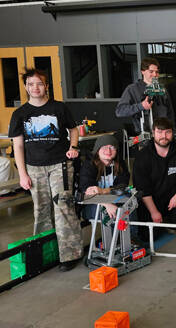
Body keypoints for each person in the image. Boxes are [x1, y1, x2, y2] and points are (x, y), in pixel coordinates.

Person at [10, 68, 83, 271]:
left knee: (63, 207)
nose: (36, 88)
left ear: (46, 86)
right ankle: (46, 252)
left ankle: (70, 254)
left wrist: (73, 147)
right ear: (26, 87)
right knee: (41, 210)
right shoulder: (19, 114)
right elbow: (18, 146)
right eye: (31, 84)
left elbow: (74, 130)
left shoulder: (59, 108)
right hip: (34, 168)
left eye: (40, 84)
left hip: (60, 165)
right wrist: (22, 174)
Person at [133, 118, 176, 238]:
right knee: (147, 237)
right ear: (153, 133)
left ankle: (175, 223)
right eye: (160, 132)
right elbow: (142, 188)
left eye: (167, 132)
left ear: (172, 133)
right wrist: (154, 212)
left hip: (175, 199)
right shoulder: (143, 156)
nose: (164, 136)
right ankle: (163, 222)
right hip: (153, 200)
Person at [115, 57, 175, 134]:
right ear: (142, 71)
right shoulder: (132, 89)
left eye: (157, 72)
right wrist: (141, 106)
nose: (155, 75)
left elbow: (170, 113)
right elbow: (119, 111)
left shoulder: (162, 90)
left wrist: (173, 131)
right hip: (143, 135)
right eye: (151, 71)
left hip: (163, 135)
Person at [79, 135, 131, 222]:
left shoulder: (120, 164)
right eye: (104, 147)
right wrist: (107, 204)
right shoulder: (89, 165)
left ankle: (132, 235)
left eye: (112, 147)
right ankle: (111, 235)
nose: (108, 151)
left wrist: (103, 191)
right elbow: (88, 193)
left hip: (114, 199)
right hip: (92, 203)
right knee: (106, 212)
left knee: (129, 204)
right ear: (97, 150)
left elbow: (122, 188)